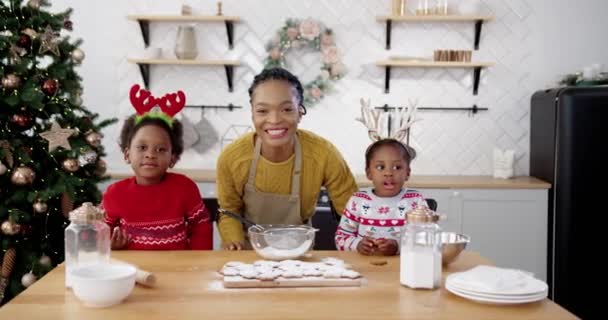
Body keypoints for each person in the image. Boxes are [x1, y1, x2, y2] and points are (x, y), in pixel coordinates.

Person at [216, 68, 358, 250]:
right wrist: (234, 244)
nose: (274, 120)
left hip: (299, 255)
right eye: (262, 111)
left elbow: (353, 211)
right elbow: (229, 211)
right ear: (252, 113)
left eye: (286, 109)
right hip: (246, 254)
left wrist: (367, 240)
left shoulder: (323, 154)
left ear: (300, 112)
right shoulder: (232, 158)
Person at [102, 84, 213, 250]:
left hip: (177, 271)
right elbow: (100, 231)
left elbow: (201, 225)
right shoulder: (114, 194)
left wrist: (197, 261)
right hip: (133, 271)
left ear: (173, 159)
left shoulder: (184, 187)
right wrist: (111, 245)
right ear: (127, 155)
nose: (151, 154)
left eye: (161, 149)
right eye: (142, 147)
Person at [335, 139, 427, 255]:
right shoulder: (357, 201)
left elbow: (425, 240)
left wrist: (398, 246)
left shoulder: (415, 201)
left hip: (402, 268)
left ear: (407, 173)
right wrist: (357, 245)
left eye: (397, 167)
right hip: (363, 267)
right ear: (369, 173)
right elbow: (341, 238)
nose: (388, 173)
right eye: (380, 167)